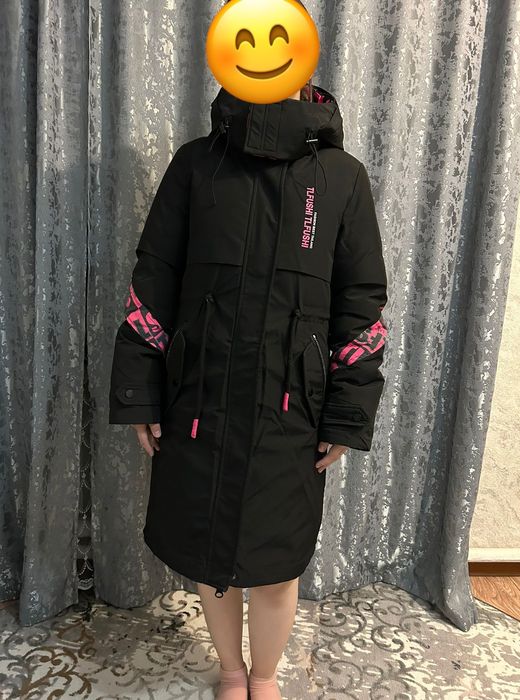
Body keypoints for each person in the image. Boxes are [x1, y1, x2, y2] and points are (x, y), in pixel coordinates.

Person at [109, 24, 388, 700]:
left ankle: (264, 676)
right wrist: (141, 391)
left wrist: (346, 412)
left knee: (276, 561)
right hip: (200, 397)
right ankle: (230, 671)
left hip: (291, 405)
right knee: (211, 555)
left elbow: (361, 301)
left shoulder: (341, 178)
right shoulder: (196, 165)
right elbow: (154, 277)